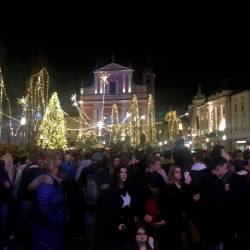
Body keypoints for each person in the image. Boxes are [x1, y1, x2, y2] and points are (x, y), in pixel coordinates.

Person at [28, 154, 66, 250]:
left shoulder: (49, 178)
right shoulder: (46, 180)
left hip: (49, 226)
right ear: (52, 168)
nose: (58, 169)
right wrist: (55, 220)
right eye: (57, 166)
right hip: (46, 228)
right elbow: (42, 205)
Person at [100, 166, 136, 250]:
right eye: (121, 172)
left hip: (128, 228)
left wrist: (134, 217)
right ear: (117, 174)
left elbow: (134, 206)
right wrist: (115, 225)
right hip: (114, 230)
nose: (123, 175)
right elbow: (104, 212)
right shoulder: (110, 191)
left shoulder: (130, 189)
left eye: (125, 173)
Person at [201, 156, 229, 250]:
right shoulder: (215, 184)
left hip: (208, 226)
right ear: (218, 168)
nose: (227, 170)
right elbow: (220, 208)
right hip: (215, 227)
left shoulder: (206, 177)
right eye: (225, 168)